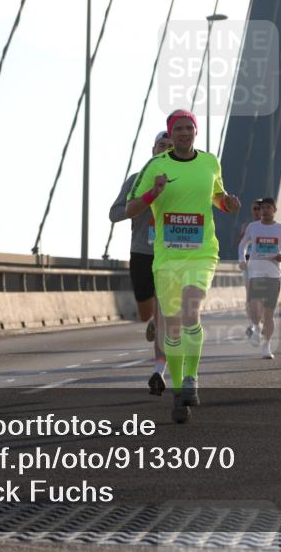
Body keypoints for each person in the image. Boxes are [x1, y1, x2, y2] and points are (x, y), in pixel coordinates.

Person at [126, 109, 241, 423]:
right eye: (178, 129)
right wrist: (154, 193)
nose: (184, 133)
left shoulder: (210, 162)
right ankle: (178, 391)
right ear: (170, 132)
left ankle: (191, 378)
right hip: (167, 258)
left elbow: (217, 197)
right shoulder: (155, 166)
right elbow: (129, 208)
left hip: (202, 253)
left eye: (189, 128)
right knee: (173, 327)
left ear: (195, 131)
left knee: (191, 310)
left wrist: (228, 204)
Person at [109, 130, 174, 396]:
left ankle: (159, 370)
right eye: (162, 145)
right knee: (146, 313)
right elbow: (114, 214)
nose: (166, 149)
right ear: (153, 150)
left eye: (170, 146)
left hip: (171, 254)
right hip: (141, 252)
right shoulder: (136, 180)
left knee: (165, 312)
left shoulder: (184, 181)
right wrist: (143, 200)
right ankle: (154, 322)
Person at [237, 197, 281, 359]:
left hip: (273, 275)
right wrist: (242, 260)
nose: (265, 210)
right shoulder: (253, 227)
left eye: (269, 207)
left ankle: (266, 346)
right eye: (262, 208)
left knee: (269, 313)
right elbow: (242, 245)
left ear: (274, 210)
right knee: (255, 310)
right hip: (255, 273)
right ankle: (256, 327)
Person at [239, 201, 263, 346]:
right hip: (249, 264)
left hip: (264, 265)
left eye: (259, 208)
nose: (256, 211)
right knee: (251, 296)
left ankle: (258, 321)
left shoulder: (269, 227)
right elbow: (241, 244)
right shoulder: (248, 226)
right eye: (254, 208)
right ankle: (252, 324)